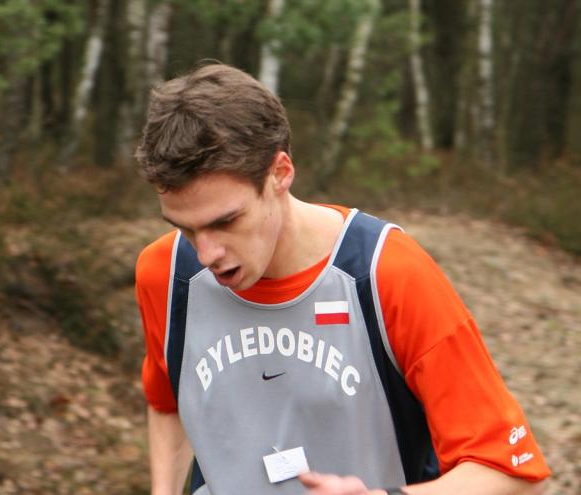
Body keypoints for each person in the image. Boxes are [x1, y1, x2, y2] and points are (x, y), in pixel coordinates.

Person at [133, 62, 550, 495]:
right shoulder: (167, 274)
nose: (206, 255)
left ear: (280, 174)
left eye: (226, 222)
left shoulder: (385, 273)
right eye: (185, 228)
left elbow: (513, 474)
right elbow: (168, 403)